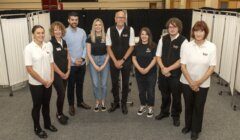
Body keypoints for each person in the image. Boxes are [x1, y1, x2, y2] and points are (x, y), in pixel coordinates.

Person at [180, 21, 216, 140]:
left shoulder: (211, 47)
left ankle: (195, 129)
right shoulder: (187, 45)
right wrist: (191, 82)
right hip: (186, 82)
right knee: (188, 105)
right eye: (196, 30)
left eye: (201, 30)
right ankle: (188, 126)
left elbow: (211, 68)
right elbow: (183, 66)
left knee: (198, 107)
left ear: (205, 32)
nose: (198, 33)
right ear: (193, 32)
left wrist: (198, 82)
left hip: (203, 83)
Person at [24, 25, 57, 139]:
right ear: (33, 34)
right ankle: (37, 128)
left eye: (42, 33)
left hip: (48, 82)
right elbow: (29, 69)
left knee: (47, 104)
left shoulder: (48, 46)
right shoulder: (29, 48)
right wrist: (43, 81)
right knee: (37, 106)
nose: (41, 35)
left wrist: (51, 78)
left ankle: (47, 124)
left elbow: (51, 63)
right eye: (38, 33)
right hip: (36, 84)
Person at [155, 17, 188, 126]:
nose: (172, 29)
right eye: (170, 27)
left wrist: (168, 69)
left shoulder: (184, 41)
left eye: (174, 27)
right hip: (163, 73)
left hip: (176, 75)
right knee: (164, 94)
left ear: (179, 28)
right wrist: (163, 69)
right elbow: (158, 56)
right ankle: (164, 112)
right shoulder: (163, 39)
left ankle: (175, 115)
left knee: (176, 96)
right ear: (167, 28)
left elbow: (182, 60)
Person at [106, 10, 135, 114]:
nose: (120, 19)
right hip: (113, 61)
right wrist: (115, 61)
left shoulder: (130, 29)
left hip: (126, 61)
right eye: (118, 17)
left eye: (122, 17)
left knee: (126, 83)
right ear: (115, 19)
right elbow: (108, 47)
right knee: (114, 83)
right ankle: (116, 102)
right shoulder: (110, 30)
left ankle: (123, 103)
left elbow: (131, 47)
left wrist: (122, 60)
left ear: (125, 19)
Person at [64, 11, 91, 116]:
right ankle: (71, 105)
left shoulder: (82, 32)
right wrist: (74, 60)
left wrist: (83, 58)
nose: (74, 21)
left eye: (76, 20)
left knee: (80, 84)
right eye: (72, 20)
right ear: (68, 20)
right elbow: (65, 50)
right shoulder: (64, 33)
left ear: (78, 20)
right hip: (71, 65)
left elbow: (85, 46)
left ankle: (80, 102)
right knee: (71, 86)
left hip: (82, 64)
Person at [132, 27, 157, 118]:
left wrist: (147, 69)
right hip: (139, 72)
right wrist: (139, 68)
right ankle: (143, 105)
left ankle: (150, 106)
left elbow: (155, 59)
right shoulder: (137, 46)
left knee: (150, 91)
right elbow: (134, 58)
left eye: (146, 34)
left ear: (149, 35)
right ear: (140, 35)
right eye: (142, 34)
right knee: (141, 91)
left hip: (151, 72)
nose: (144, 36)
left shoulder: (153, 45)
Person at [49, 21, 71, 124]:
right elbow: (51, 62)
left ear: (62, 30)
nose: (58, 31)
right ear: (52, 31)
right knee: (61, 93)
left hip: (66, 72)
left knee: (62, 94)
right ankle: (59, 114)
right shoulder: (50, 44)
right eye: (55, 29)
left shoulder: (64, 42)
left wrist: (68, 70)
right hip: (56, 74)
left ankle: (60, 112)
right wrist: (61, 73)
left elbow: (68, 56)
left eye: (59, 29)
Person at [86, 18, 109, 112]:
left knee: (103, 84)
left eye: (99, 25)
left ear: (102, 26)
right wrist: (94, 65)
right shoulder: (90, 37)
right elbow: (88, 53)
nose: (98, 27)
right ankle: (97, 101)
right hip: (93, 60)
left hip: (105, 60)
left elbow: (109, 53)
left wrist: (104, 64)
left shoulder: (106, 37)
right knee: (95, 84)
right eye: (96, 25)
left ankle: (102, 101)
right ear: (93, 26)